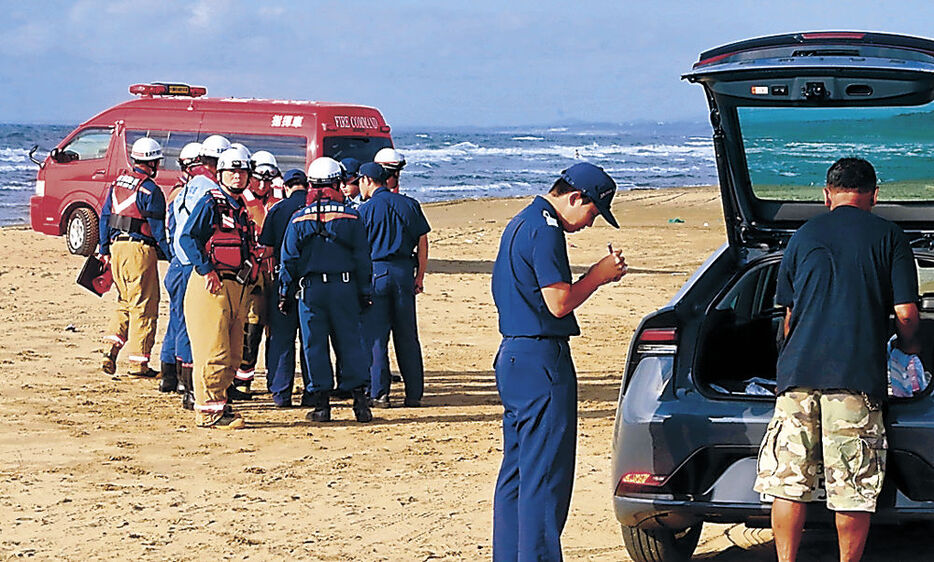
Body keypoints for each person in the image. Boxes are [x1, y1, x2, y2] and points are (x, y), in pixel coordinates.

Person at [753, 158, 920, 562]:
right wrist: (911, 348)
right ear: (875, 194)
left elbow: (788, 317)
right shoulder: (889, 237)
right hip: (854, 376)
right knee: (853, 485)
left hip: (797, 376)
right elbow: (907, 313)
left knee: (788, 483)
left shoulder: (802, 237)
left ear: (826, 194)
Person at [491, 162, 626, 560]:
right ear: (575, 197)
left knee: (516, 473)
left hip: (514, 353)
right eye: (593, 213)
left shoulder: (520, 222)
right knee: (545, 478)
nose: (590, 224)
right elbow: (558, 302)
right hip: (540, 358)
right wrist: (598, 276)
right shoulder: (545, 229)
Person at [278, 157, 373, 422]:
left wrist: (285, 293)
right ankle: (360, 404)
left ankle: (322, 406)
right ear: (338, 182)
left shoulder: (298, 219)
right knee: (351, 343)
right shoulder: (351, 216)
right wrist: (365, 291)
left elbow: (289, 260)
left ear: (311, 184)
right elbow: (363, 259)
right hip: (344, 287)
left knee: (314, 346)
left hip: (311, 291)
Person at [178, 146, 259, 429]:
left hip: (237, 285)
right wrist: (206, 268)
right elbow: (188, 237)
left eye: (242, 171)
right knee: (214, 351)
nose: (237, 176)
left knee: (234, 351)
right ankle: (209, 412)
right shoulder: (210, 202)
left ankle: (221, 403)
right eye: (232, 171)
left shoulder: (240, 208)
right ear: (221, 173)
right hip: (211, 286)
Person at [357, 162, 431, 408]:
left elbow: (358, 249)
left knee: (377, 335)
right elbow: (423, 242)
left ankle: (379, 392)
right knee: (407, 335)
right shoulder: (409, 205)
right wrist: (420, 275)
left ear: (368, 180)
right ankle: (414, 393)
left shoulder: (365, 210)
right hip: (403, 271)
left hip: (376, 270)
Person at [165, 134, 230, 409]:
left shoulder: (189, 186)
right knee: (197, 330)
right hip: (194, 264)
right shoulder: (208, 190)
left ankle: (179, 382)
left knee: (180, 323)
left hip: (178, 263)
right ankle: (191, 390)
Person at [99, 137, 172, 378]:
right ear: (152, 163)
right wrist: (170, 255)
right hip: (139, 250)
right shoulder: (151, 191)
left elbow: (104, 217)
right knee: (144, 306)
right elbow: (158, 229)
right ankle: (139, 364)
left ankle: (110, 349)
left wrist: (103, 249)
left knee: (124, 302)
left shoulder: (118, 183)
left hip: (116, 247)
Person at [258, 168, 311, 407]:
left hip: (283, 279)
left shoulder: (277, 209)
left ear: (286, 187)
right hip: (313, 281)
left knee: (282, 338)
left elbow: (266, 249)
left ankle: (281, 392)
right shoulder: (315, 208)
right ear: (307, 186)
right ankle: (312, 390)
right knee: (312, 339)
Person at [234, 149, 282, 393]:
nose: (263, 184)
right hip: (251, 272)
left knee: (276, 326)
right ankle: (243, 379)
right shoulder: (240, 200)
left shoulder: (279, 199)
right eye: (258, 178)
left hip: (274, 270)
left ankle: (276, 379)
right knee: (251, 325)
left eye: (268, 179)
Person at [159, 140, 202, 393]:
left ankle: (168, 376)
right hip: (187, 264)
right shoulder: (197, 194)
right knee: (187, 323)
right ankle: (185, 382)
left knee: (175, 320)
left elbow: (172, 231)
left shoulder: (178, 193)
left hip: (176, 262)